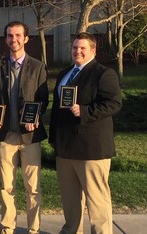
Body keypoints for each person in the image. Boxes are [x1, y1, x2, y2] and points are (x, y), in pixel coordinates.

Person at [49, 32, 122, 234]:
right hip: (65, 148)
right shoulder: (64, 73)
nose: (77, 51)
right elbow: (56, 109)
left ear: (92, 50)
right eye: (74, 48)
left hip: (91, 149)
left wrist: (85, 111)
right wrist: (54, 138)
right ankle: (71, 230)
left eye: (82, 48)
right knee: (70, 199)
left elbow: (114, 103)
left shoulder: (103, 73)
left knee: (96, 201)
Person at [0, 21, 49, 234]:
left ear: (25, 38)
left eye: (17, 35)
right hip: (5, 136)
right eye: (9, 35)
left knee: (32, 187)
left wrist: (37, 115)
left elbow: (43, 99)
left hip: (30, 135)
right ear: (5, 39)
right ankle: (8, 227)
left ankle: (34, 229)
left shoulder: (38, 66)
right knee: (7, 186)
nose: (13, 39)